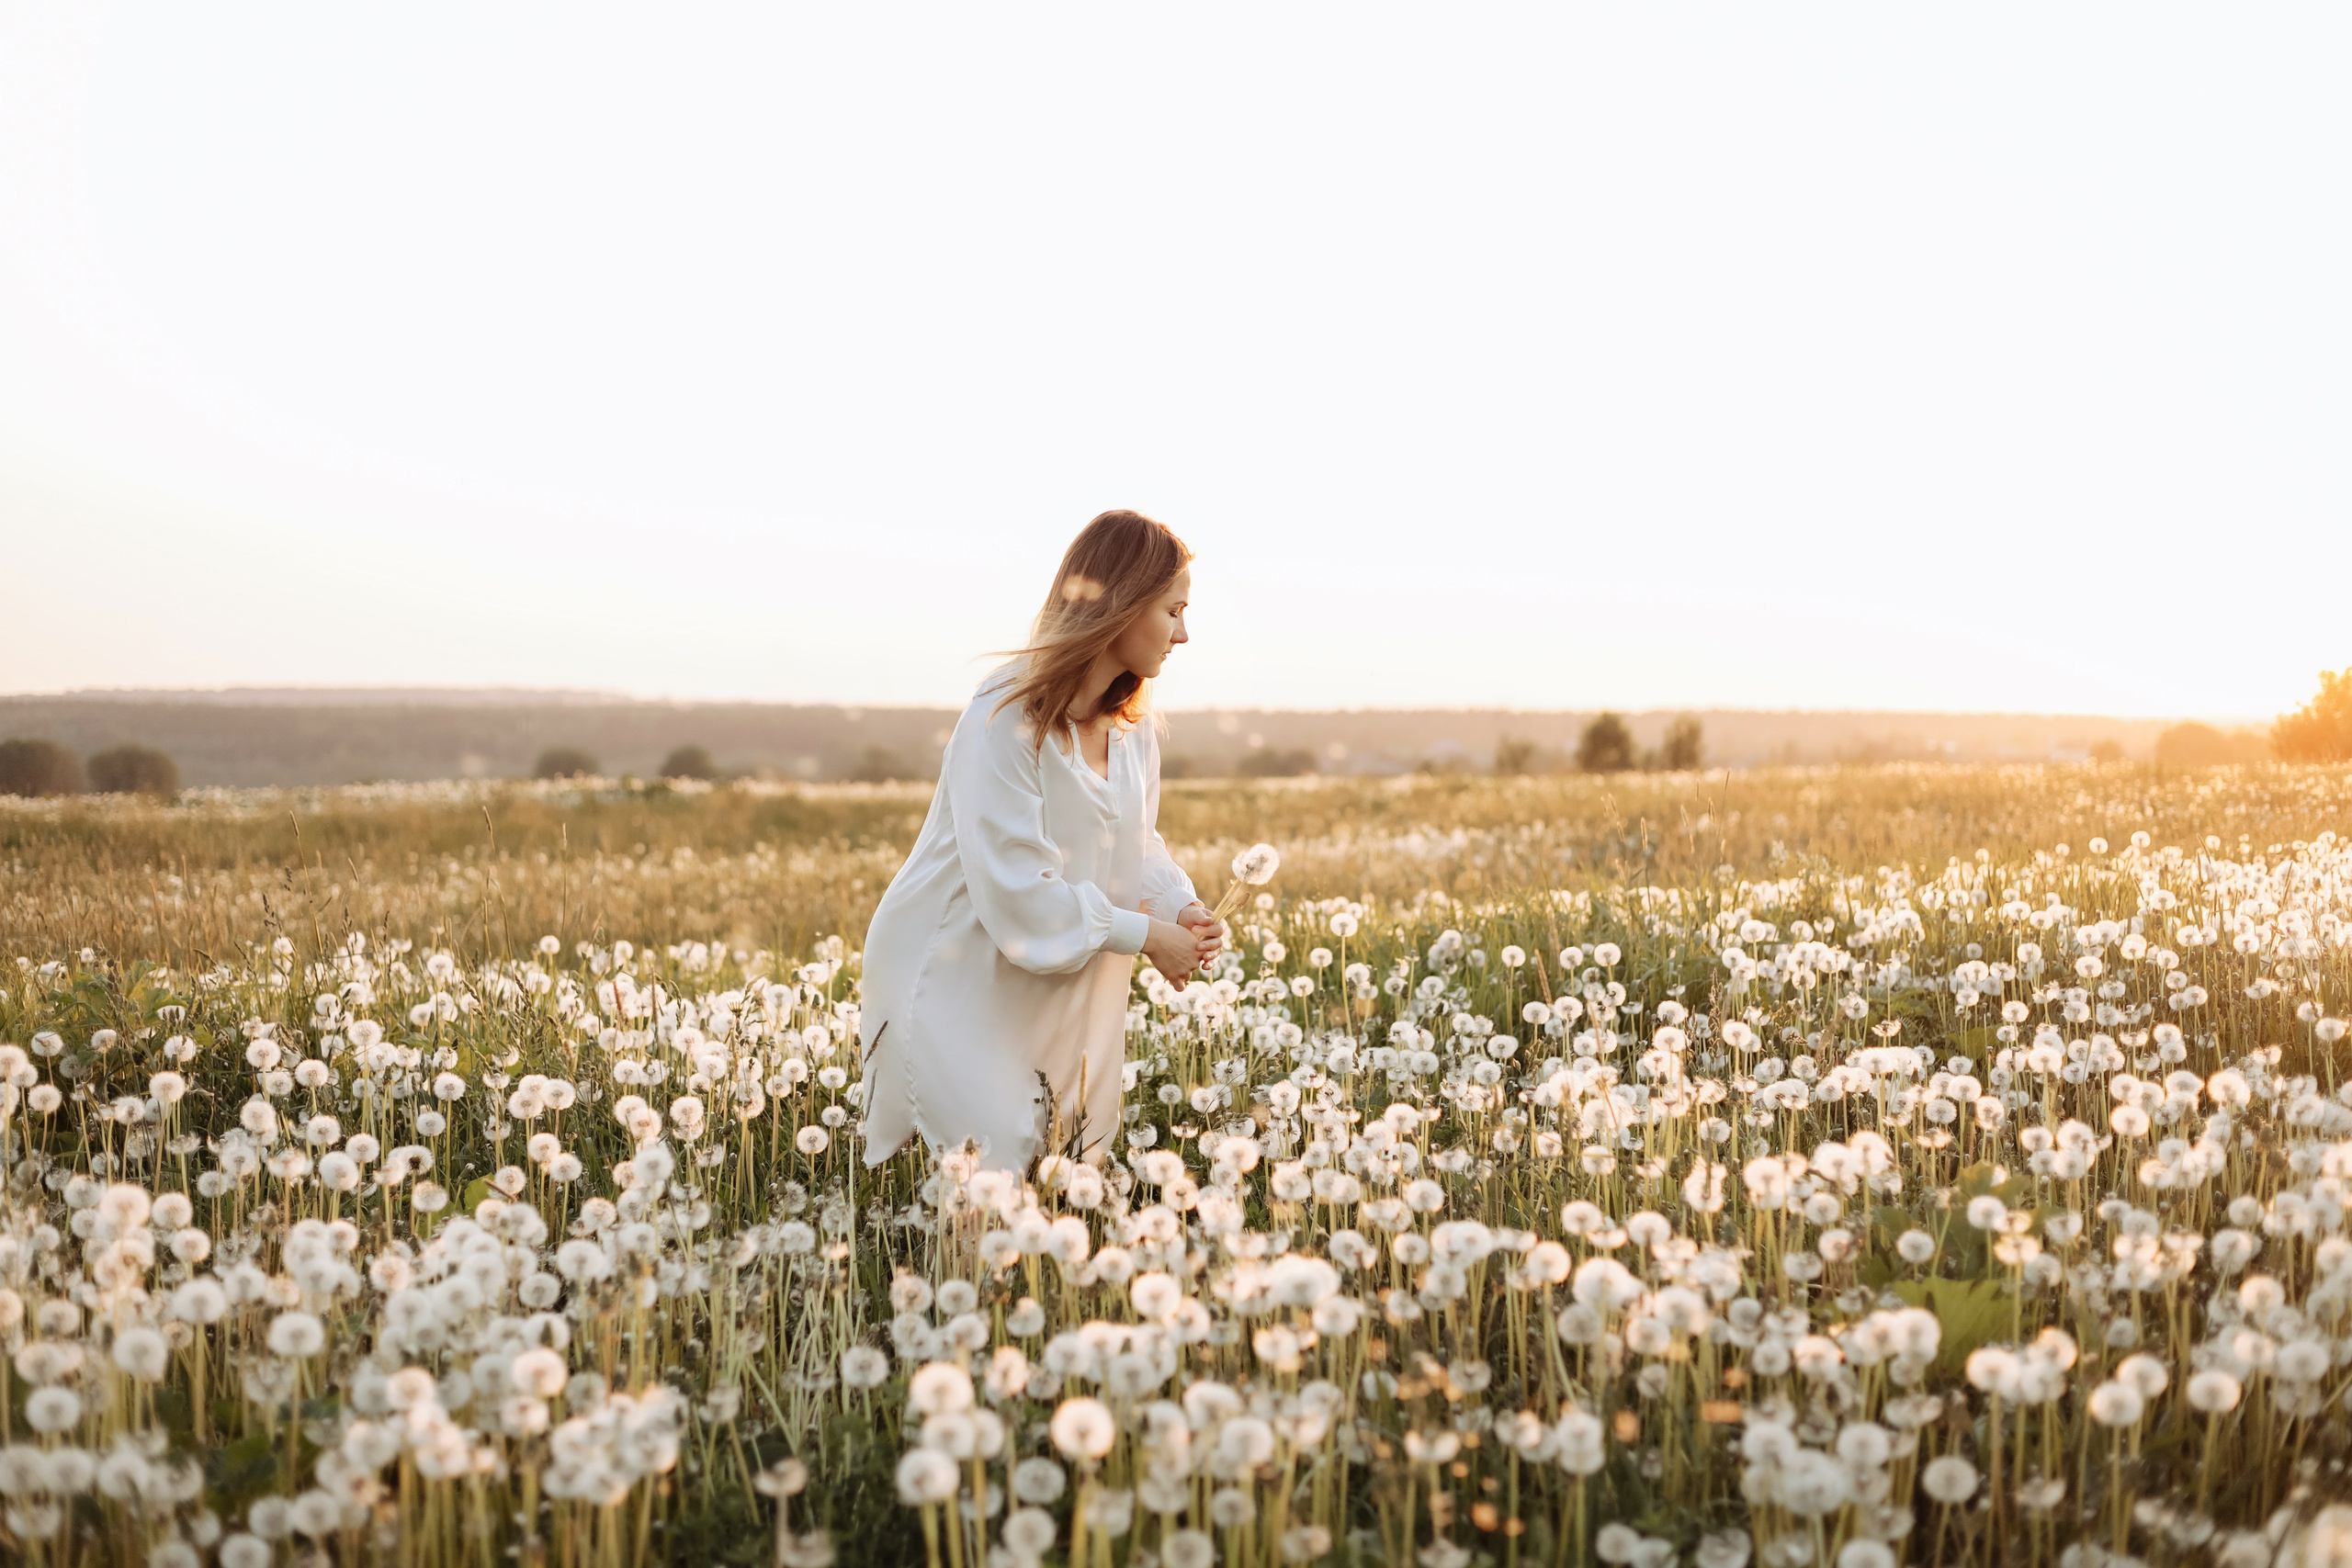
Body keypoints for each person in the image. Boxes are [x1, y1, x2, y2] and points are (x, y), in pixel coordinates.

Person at [857, 510, 1224, 1171]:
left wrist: (1178, 909)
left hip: (1057, 971)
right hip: (955, 967)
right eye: (1173, 610)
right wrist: (1147, 937)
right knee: (993, 1159)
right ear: (1124, 604)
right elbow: (1018, 889)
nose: (1185, 632)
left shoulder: (1130, 725)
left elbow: (1134, 843)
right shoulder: (1004, 713)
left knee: (1057, 1157)